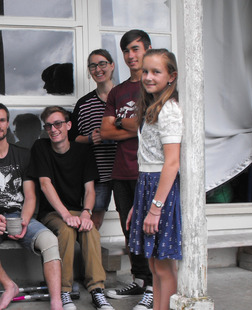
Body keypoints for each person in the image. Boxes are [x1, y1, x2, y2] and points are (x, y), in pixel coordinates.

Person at [0, 102, 63, 310]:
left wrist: (25, 220)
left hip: (19, 215)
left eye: (2, 120)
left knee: (50, 241)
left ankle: (56, 301)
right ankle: (10, 286)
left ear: (8, 123)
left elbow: (30, 196)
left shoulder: (23, 155)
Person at [29, 106, 114, 310]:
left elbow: (90, 190)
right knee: (66, 231)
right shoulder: (41, 147)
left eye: (58, 123)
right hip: (52, 213)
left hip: (78, 209)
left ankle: (97, 290)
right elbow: (45, 184)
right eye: (48, 125)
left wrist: (86, 213)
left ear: (68, 125)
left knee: (90, 229)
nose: (53, 129)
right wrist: (66, 215)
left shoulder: (83, 151)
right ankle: (64, 290)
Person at [100, 29, 154, 310]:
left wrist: (125, 123)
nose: (131, 55)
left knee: (151, 228)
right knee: (130, 228)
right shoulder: (119, 91)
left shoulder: (154, 84)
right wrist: (130, 124)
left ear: (147, 49)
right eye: (126, 51)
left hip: (148, 171)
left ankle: (155, 285)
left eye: (135, 49)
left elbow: (150, 126)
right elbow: (105, 130)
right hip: (121, 171)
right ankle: (140, 280)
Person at [127, 48, 182, 310]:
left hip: (161, 191)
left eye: (156, 72)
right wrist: (138, 205)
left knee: (163, 266)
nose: (148, 77)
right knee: (153, 264)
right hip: (148, 186)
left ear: (171, 76)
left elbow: (171, 162)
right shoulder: (153, 106)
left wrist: (155, 209)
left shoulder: (169, 110)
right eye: (145, 71)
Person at [69, 49, 117, 230]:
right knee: (94, 221)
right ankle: (92, 257)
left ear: (112, 66)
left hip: (124, 170)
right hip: (98, 172)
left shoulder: (124, 97)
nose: (98, 69)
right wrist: (90, 138)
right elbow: (73, 138)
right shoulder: (84, 104)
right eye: (93, 65)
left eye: (102, 63)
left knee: (130, 218)